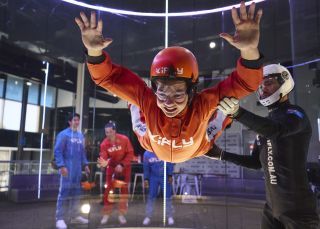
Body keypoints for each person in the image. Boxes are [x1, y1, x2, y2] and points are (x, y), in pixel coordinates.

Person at [75, 2, 264, 163]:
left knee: (225, 110)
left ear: (192, 92)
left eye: (178, 93)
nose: (169, 102)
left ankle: (223, 120)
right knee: (135, 102)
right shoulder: (148, 99)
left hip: (200, 147)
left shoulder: (204, 103)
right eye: (162, 93)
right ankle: (135, 102)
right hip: (152, 143)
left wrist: (249, 50)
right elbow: (108, 78)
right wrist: (94, 52)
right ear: (154, 88)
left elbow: (246, 83)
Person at [206, 64, 319, 229]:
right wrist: (222, 154)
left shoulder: (296, 114)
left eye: (269, 82)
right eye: (261, 84)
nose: (263, 88)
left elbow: (276, 131)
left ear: (284, 84)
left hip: (299, 211)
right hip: (272, 208)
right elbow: (255, 162)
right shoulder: (267, 123)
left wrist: (238, 113)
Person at [54, 113, 90, 229]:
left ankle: (75, 216)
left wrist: (85, 164)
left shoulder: (80, 136)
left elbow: (82, 152)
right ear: (70, 122)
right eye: (74, 120)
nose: (77, 122)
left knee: (76, 193)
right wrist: (61, 166)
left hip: (77, 170)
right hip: (66, 169)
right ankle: (59, 219)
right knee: (64, 193)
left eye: (78, 120)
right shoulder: (63, 134)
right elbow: (58, 151)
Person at [97, 121, 134, 225]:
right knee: (108, 190)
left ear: (114, 131)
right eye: (106, 132)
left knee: (124, 191)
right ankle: (106, 214)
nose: (108, 134)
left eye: (110, 132)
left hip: (125, 167)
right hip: (112, 167)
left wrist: (122, 165)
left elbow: (130, 153)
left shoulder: (124, 139)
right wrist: (102, 162)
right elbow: (104, 156)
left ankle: (121, 214)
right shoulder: (104, 143)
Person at [142, 150, 174, 226]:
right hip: (153, 177)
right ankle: (148, 216)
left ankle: (169, 216)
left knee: (167, 197)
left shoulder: (164, 149)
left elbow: (170, 162)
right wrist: (146, 178)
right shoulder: (147, 153)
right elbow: (146, 166)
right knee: (151, 196)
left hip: (165, 176)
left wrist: (170, 175)